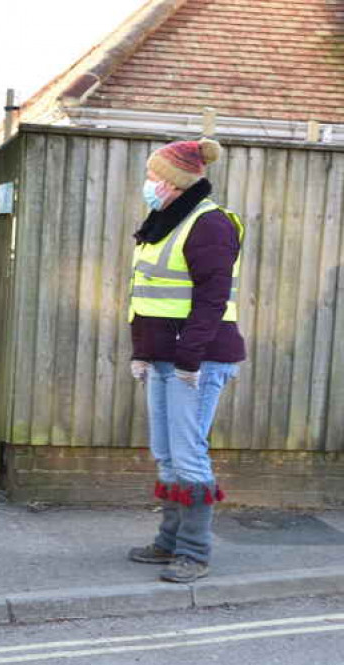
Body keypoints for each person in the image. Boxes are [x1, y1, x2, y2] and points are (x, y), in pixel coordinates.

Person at [126, 138, 246, 583]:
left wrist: (189, 360)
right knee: (166, 455)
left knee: (189, 455)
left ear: (175, 182)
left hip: (195, 361)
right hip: (163, 358)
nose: (149, 184)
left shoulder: (209, 224)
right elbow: (150, 294)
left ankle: (194, 554)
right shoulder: (165, 220)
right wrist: (142, 352)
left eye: (156, 176)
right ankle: (169, 541)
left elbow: (212, 300)